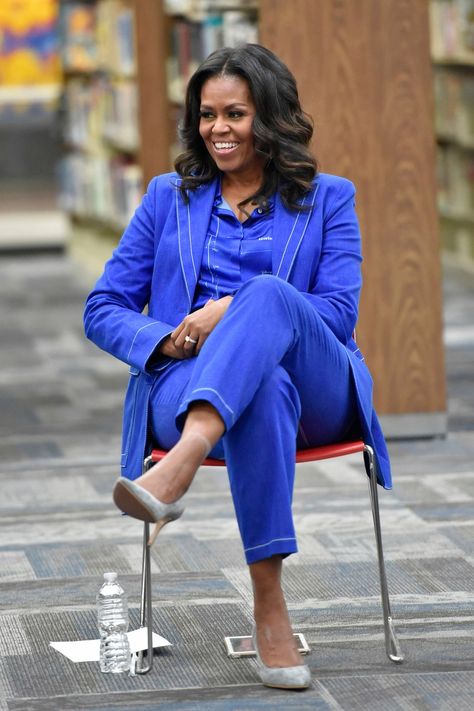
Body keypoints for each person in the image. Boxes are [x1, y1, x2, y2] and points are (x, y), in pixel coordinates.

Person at [84, 43, 392, 691]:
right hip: (190, 379)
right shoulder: (168, 198)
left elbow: (335, 316)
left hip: (319, 390)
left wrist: (228, 309)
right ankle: (270, 606)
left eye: (236, 114)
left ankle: (181, 464)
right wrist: (171, 337)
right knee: (261, 388)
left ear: (270, 116)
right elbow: (103, 307)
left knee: (268, 298)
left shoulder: (329, 199)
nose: (217, 129)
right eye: (206, 115)